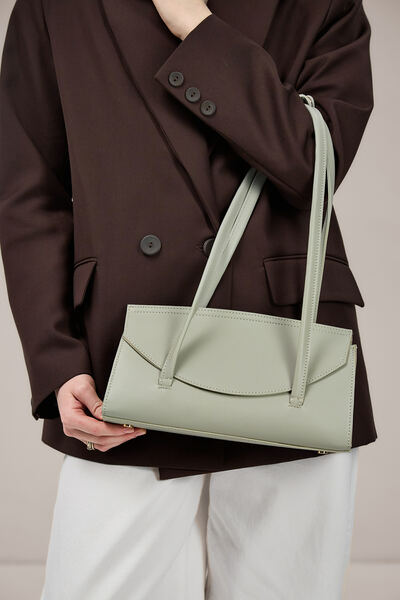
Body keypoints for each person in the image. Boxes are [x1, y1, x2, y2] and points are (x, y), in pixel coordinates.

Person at [0, 0, 377, 598]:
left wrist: (197, 29)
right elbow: (29, 193)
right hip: (120, 361)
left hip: (285, 363)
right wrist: (56, 359)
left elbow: (311, 161)